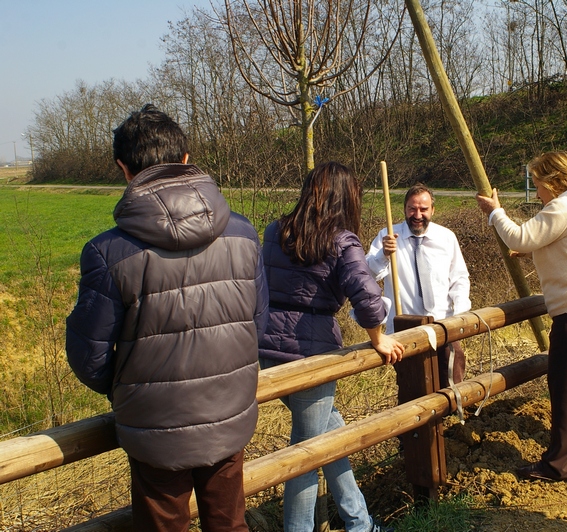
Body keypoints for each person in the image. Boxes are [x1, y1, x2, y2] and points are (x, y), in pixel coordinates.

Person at [65, 104, 269, 531]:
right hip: (229, 412)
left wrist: (132, 389)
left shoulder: (107, 253)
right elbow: (257, 324)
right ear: (187, 159)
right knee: (230, 525)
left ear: (124, 169)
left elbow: (89, 355)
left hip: (154, 425)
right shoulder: (244, 234)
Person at [259, 161, 403, 532]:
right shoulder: (341, 240)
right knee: (306, 455)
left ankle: (360, 524)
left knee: (329, 435)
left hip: (267, 349)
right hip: (311, 354)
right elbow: (367, 296)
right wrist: (379, 337)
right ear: (346, 198)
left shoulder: (275, 231)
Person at [475, 151, 567, 482]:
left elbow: (519, 236)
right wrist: (533, 246)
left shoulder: (563, 207)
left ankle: (558, 464)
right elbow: (560, 243)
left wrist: (495, 213)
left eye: (538, 184)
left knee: (565, 383)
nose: (537, 192)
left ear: (554, 181)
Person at [365, 183, 471, 386]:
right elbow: (368, 274)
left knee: (453, 383)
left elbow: (459, 278)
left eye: (423, 209)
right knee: (413, 389)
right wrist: (384, 255)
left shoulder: (446, 238)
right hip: (405, 329)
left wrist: (459, 315)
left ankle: (454, 418)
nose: (417, 215)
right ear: (404, 209)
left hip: (443, 325)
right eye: (412, 209)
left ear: (433, 210)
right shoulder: (387, 236)